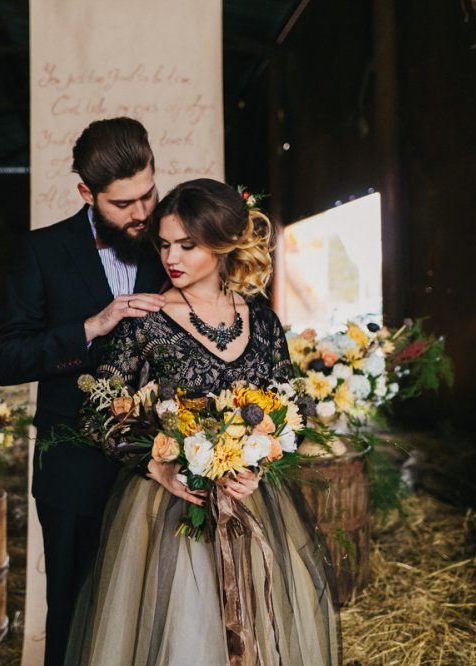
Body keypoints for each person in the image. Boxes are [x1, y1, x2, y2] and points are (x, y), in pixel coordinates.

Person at [65, 179, 340, 665]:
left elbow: (292, 408)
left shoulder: (264, 321)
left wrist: (264, 460)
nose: (172, 257)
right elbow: (96, 411)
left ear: (221, 245)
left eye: (187, 246)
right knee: (186, 636)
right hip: (170, 511)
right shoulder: (145, 322)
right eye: (166, 244)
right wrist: (157, 469)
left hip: (254, 505)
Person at [0, 117, 169, 666]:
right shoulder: (43, 251)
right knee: (72, 609)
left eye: (148, 194)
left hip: (164, 465)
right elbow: (5, 358)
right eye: (123, 204)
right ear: (86, 193)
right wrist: (91, 327)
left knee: (153, 610)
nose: (141, 214)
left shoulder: (175, 240)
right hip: (73, 467)